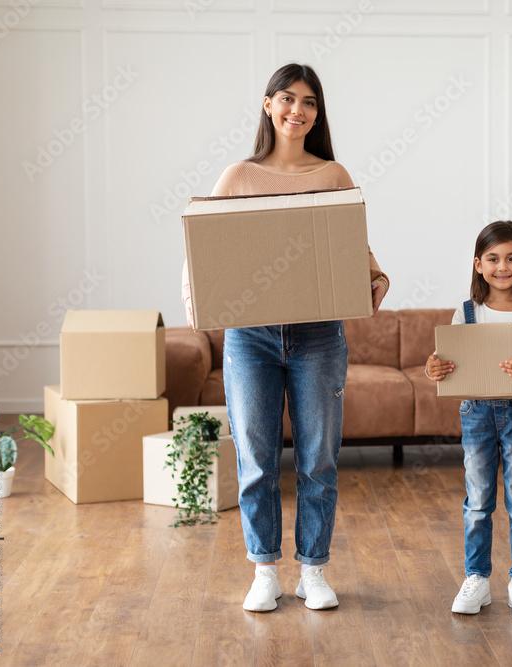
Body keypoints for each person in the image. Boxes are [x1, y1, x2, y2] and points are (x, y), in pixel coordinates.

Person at [181, 63, 389, 612]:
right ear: (268, 105)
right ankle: (264, 570)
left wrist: (377, 278)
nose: (299, 110)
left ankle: (314, 571)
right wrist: (193, 297)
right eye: (288, 99)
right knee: (256, 457)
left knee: (318, 457)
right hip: (250, 337)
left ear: (318, 114)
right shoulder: (239, 178)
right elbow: (203, 252)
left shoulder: (334, 175)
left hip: (320, 334)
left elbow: (359, 253)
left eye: (310, 102)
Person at [426, 221, 512, 617]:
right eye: (494, 258)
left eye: (511, 258)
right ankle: (477, 579)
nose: (503, 266)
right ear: (478, 264)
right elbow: (449, 359)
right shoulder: (466, 312)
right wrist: (435, 367)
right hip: (476, 412)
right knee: (478, 501)